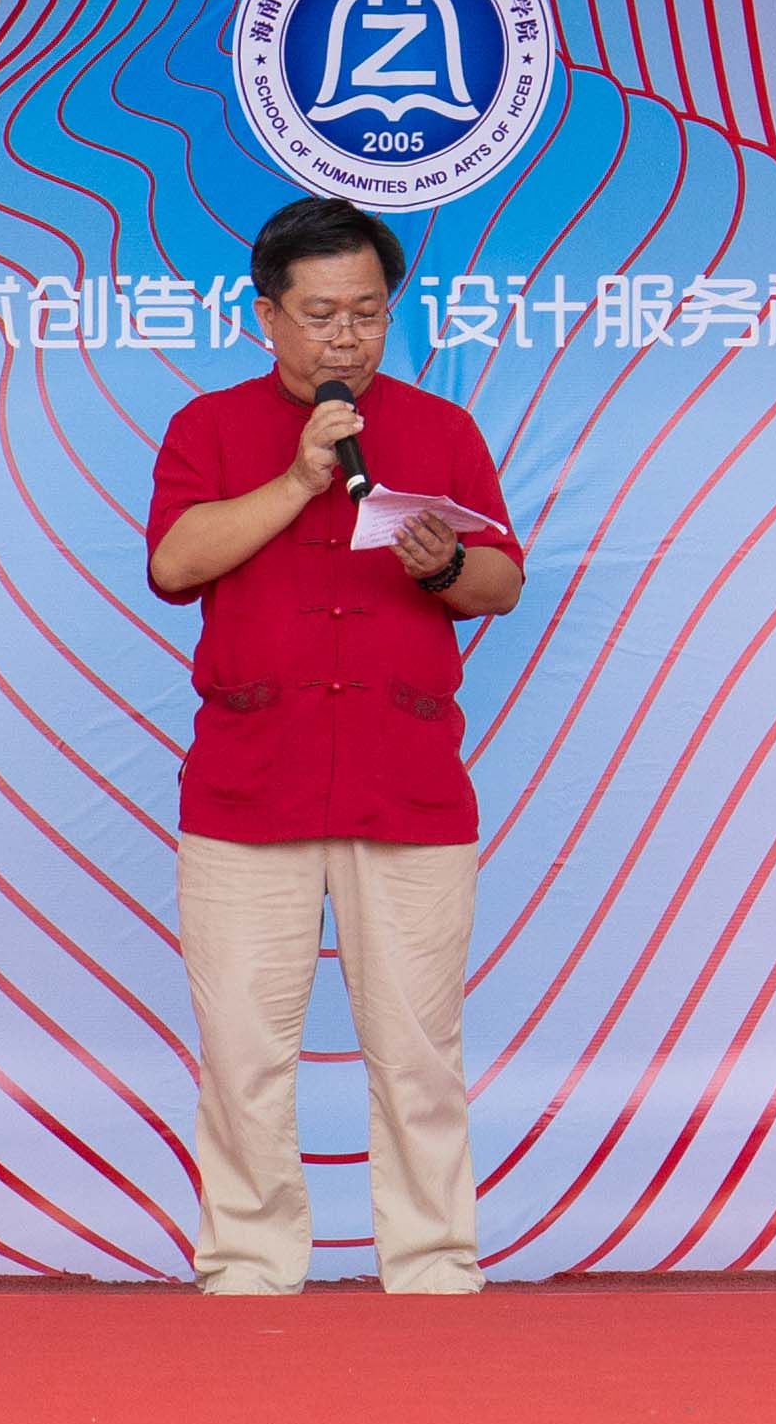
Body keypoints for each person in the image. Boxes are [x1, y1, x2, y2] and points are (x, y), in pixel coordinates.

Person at [142, 195, 527, 1294]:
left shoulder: (443, 429)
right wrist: (300, 477)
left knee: (417, 1051)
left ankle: (432, 1261)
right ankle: (249, 1263)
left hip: (405, 782)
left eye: (366, 312)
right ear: (266, 315)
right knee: (243, 1053)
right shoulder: (208, 428)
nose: (345, 338)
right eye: (319, 315)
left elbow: (502, 580)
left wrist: (443, 565)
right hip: (248, 783)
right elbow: (175, 564)